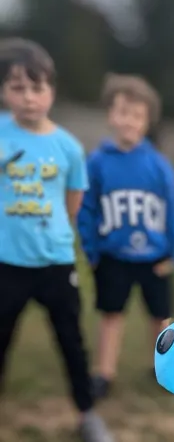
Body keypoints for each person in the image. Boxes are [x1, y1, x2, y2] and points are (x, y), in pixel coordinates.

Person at [0, 38, 114, 442]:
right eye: (18, 88)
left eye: (37, 87)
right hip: (6, 266)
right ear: (4, 91)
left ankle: (86, 414)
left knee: (71, 342)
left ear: (52, 90)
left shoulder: (67, 147)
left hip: (55, 264)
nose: (29, 97)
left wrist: (50, 236)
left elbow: (72, 203)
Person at [76, 73, 174, 399]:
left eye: (137, 115)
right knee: (111, 315)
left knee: (160, 317)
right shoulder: (97, 162)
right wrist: (92, 251)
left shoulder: (158, 164)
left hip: (155, 257)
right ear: (110, 114)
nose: (129, 121)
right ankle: (104, 373)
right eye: (123, 112)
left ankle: (165, 371)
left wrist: (173, 253)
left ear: (147, 121)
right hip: (113, 256)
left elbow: (173, 211)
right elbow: (86, 209)